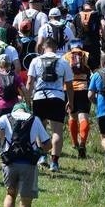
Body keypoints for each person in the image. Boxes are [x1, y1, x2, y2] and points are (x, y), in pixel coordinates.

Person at [0, 102, 52, 207]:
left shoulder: (6, 117)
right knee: (25, 203)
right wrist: (39, 153)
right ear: (26, 110)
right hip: (28, 164)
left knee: (10, 193)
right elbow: (48, 144)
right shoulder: (35, 119)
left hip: (10, 162)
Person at [26, 37, 74, 172]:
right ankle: (55, 162)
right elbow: (69, 86)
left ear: (43, 47)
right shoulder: (63, 61)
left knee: (40, 129)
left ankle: (42, 157)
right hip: (57, 97)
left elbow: (29, 82)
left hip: (39, 97)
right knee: (57, 131)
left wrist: (27, 98)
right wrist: (70, 101)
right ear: (56, 48)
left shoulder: (36, 60)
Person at [62, 40, 92, 158]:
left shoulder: (65, 56)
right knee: (83, 116)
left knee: (72, 115)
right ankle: (82, 143)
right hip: (83, 87)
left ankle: (75, 143)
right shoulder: (87, 55)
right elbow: (93, 70)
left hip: (68, 89)